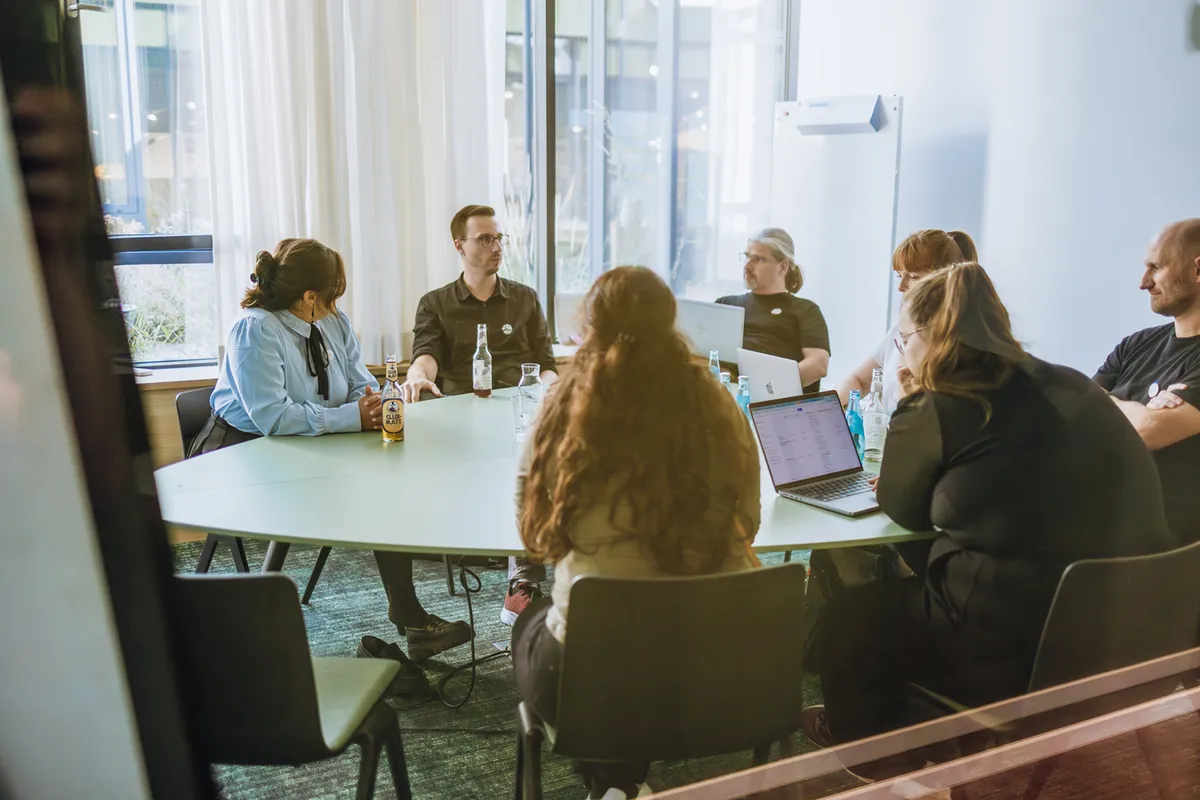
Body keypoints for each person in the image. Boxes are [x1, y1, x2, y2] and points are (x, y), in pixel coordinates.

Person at [803, 263, 1174, 747]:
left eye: (903, 340)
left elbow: (903, 507)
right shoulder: (1075, 384)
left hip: (1026, 655)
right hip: (1140, 633)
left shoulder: (938, 404)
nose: (903, 353)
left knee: (852, 618)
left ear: (929, 338)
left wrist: (914, 402)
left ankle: (872, 754)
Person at [512, 266, 762, 800]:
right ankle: (622, 781)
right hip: (710, 664)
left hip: (589, 674)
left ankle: (613, 781)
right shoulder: (718, 402)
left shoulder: (563, 405)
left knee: (535, 623)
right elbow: (750, 525)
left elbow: (533, 531)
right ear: (670, 320)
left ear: (591, 325)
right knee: (646, 622)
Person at [201, 238, 462, 686]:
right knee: (365, 486)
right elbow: (272, 417)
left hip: (311, 441)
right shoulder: (256, 330)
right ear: (309, 297)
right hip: (242, 453)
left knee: (385, 483)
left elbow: (358, 379)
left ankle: (410, 617)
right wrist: (351, 417)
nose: (337, 302)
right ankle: (260, 637)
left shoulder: (332, 321)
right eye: (332, 292)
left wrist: (371, 399)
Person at [393, 204, 558, 627]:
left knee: (538, 465)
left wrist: (552, 385)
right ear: (459, 246)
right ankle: (516, 568)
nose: (495, 246)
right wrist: (415, 376)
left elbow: (544, 362)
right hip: (461, 422)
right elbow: (426, 356)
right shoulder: (436, 303)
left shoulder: (524, 298)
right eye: (484, 239)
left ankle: (524, 581)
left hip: (519, 413)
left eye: (498, 238)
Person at [1094, 219, 1200, 542]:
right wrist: (1140, 408)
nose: (1144, 282)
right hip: (1101, 531)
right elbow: (1079, 415)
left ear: (1198, 271)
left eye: (1156, 268)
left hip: (1165, 557)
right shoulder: (1134, 346)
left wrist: (1108, 403)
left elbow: (1147, 432)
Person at [836, 229, 977, 410]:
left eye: (913, 277)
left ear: (942, 280)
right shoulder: (899, 329)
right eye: (900, 276)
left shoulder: (957, 344)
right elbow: (859, 380)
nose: (901, 287)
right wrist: (828, 407)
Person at [716, 228, 830, 394]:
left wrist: (766, 387)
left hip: (773, 403)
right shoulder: (726, 304)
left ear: (783, 267)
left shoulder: (805, 311)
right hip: (724, 398)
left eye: (759, 259)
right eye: (747, 257)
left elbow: (818, 365)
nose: (747, 266)